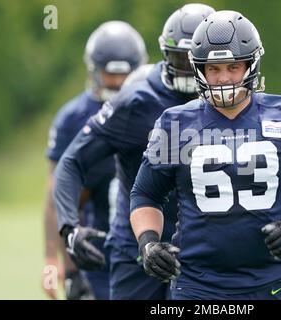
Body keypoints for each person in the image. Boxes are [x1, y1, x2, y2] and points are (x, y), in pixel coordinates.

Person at [129, 10, 281, 300]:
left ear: (250, 65)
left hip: (269, 279)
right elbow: (145, 194)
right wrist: (149, 243)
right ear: (199, 70)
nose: (223, 78)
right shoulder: (175, 123)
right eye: (214, 69)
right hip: (196, 283)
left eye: (233, 67)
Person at [53, 4, 216, 300]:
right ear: (165, 55)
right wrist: (69, 229)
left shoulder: (235, 101)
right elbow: (72, 161)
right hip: (135, 250)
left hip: (207, 250)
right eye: (182, 59)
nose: (190, 70)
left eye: (198, 60)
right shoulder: (135, 100)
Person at [43, 20, 148, 300]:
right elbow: (58, 196)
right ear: (94, 70)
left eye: (124, 74)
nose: (116, 83)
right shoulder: (73, 118)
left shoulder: (157, 108)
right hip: (95, 253)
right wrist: (60, 263)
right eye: (108, 74)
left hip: (148, 251)